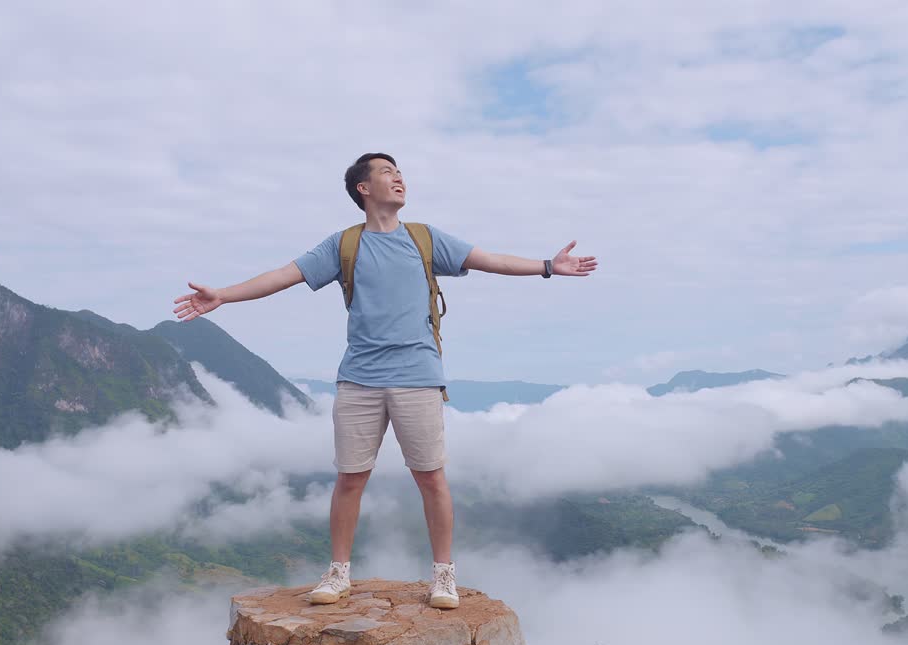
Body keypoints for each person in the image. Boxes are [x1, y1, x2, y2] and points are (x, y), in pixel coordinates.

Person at [172, 152, 598, 609]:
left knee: (431, 477)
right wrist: (224, 296)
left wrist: (548, 266)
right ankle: (338, 573)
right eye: (387, 172)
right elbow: (283, 276)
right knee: (350, 479)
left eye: (400, 172)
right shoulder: (344, 245)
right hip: (359, 379)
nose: (399, 178)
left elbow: (491, 260)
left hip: (418, 376)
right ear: (363, 188)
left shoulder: (425, 238)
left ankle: (444, 576)